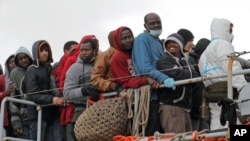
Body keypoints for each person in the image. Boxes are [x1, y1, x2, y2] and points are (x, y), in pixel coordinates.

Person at [198, 18, 248, 130]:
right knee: (232, 125)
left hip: (213, 95)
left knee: (217, 124)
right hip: (227, 95)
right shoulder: (222, 44)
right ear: (224, 30)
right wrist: (244, 89)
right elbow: (232, 68)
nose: (232, 34)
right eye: (230, 30)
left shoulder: (205, 53)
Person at [132, 12, 175, 136]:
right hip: (150, 98)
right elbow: (144, 67)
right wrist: (164, 78)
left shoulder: (159, 41)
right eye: (152, 23)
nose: (156, 25)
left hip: (161, 96)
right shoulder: (142, 39)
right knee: (152, 133)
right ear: (145, 26)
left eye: (158, 22)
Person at [23, 40, 66, 141]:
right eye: (41, 50)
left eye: (47, 50)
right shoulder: (32, 70)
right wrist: (52, 99)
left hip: (53, 113)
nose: (45, 53)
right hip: (38, 115)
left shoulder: (51, 69)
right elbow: (33, 94)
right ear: (36, 52)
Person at [157, 33, 200, 133]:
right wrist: (190, 75)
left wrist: (189, 75)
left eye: (174, 42)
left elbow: (197, 78)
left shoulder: (184, 61)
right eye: (168, 43)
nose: (171, 45)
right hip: (172, 107)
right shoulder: (164, 60)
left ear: (180, 45)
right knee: (177, 138)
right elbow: (178, 75)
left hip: (184, 108)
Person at [57, 35, 98, 141]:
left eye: (87, 50)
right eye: (82, 50)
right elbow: (67, 93)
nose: (84, 52)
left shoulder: (100, 64)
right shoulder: (75, 68)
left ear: (95, 50)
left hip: (98, 115)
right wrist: (84, 91)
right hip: (79, 116)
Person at [9, 47, 33, 139]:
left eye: (25, 57)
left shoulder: (36, 68)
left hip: (39, 113)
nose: (23, 60)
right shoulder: (14, 73)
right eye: (20, 59)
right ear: (17, 61)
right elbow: (14, 98)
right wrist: (16, 122)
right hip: (24, 117)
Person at [188, 38, 211, 131]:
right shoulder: (190, 61)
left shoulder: (206, 62)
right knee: (194, 134)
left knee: (205, 133)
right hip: (194, 106)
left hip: (202, 106)